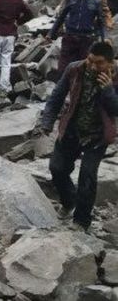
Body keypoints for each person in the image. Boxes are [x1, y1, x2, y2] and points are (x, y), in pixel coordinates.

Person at [39, 41, 118, 232]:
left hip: (97, 136)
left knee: (87, 177)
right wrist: (47, 122)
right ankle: (69, 200)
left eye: (98, 63)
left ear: (110, 63)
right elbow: (57, 96)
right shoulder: (75, 69)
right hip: (72, 129)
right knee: (57, 168)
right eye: (90, 60)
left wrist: (107, 90)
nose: (92, 66)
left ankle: (81, 221)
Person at [48, 0, 106, 74]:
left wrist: (102, 39)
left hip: (86, 40)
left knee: (81, 69)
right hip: (69, 37)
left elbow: (101, 22)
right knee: (63, 68)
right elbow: (61, 18)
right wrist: (50, 34)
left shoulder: (97, 2)